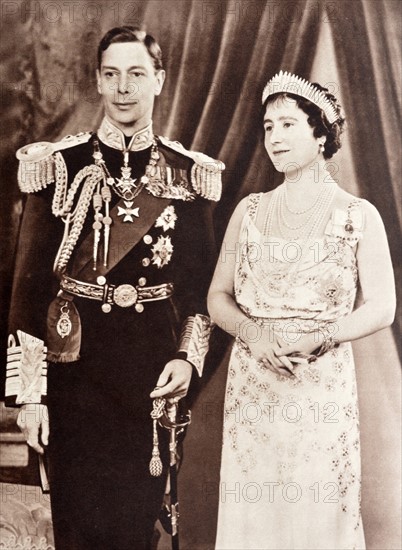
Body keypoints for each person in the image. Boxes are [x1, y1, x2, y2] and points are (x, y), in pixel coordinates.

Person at [5, 26, 223, 549]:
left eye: (136, 74)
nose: (124, 87)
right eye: (111, 75)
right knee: (77, 529)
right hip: (72, 373)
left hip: (149, 374)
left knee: (135, 527)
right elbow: (27, 289)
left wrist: (187, 360)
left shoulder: (187, 175)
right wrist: (30, 398)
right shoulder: (59, 166)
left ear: (159, 81)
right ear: (98, 83)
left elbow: (200, 293)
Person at [208, 70, 396, 550]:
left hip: (319, 383)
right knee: (256, 513)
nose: (274, 137)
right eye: (268, 126)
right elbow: (217, 298)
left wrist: (321, 337)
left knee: (316, 514)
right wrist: (255, 334)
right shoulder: (248, 211)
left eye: (288, 125)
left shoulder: (358, 215)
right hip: (254, 382)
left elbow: (383, 307)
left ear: (321, 133)